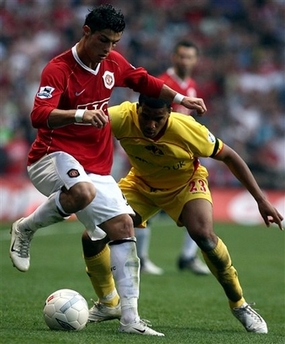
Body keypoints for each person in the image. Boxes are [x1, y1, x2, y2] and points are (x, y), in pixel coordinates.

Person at [9, 5, 207, 337]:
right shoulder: (59, 69)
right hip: (51, 156)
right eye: (104, 40)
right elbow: (38, 115)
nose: (109, 49)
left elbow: (142, 80)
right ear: (86, 32)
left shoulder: (112, 62)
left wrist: (180, 100)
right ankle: (26, 229)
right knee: (82, 192)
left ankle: (130, 318)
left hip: (96, 165)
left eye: (115, 42)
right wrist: (79, 116)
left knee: (122, 225)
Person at [82, 94, 283, 334]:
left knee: (204, 236)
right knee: (92, 237)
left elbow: (229, 156)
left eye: (158, 119)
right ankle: (108, 303)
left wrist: (261, 200)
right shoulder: (120, 116)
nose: (150, 125)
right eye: (145, 117)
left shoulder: (187, 128)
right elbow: (81, 130)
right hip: (141, 185)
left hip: (185, 184)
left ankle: (239, 304)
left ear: (170, 112)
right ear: (138, 109)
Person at [135, 40, 210, 275]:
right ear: (173, 57)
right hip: (157, 156)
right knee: (147, 205)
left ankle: (187, 256)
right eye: (181, 56)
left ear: (196, 60)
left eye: (189, 57)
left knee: (197, 202)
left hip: (181, 157)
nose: (184, 61)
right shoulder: (162, 84)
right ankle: (141, 258)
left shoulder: (191, 86)